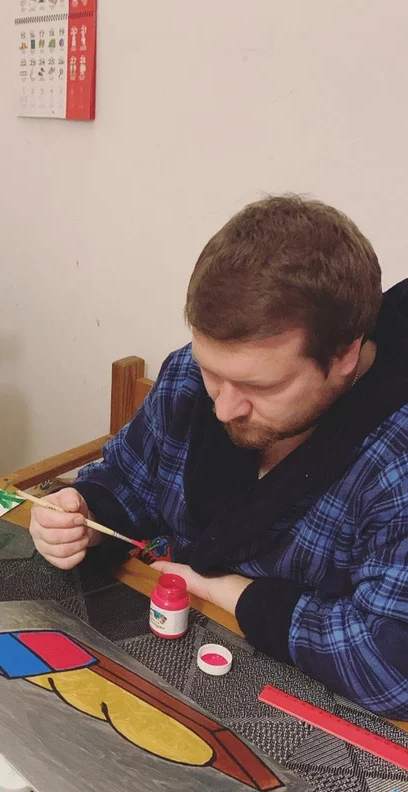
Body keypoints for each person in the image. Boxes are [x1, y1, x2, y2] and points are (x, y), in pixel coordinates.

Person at [30, 195, 408, 717]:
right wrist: (84, 516)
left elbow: (389, 664)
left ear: (345, 353)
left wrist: (226, 589)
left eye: (260, 386)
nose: (225, 408)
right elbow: (128, 478)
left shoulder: (393, 465)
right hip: (163, 638)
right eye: (213, 370)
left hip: (288, 699)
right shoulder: (190, 377)